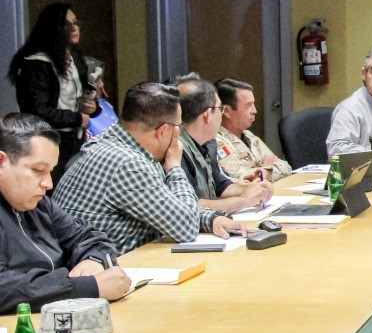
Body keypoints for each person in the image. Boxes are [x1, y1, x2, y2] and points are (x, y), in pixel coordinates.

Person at [55, 82, 246, 254]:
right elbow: (186, 227)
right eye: (177, 127)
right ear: (162, 131)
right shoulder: (127, 163)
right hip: (111, 267)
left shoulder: (124, 145)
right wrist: (175, 167)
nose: (178, 134)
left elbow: (170, 206)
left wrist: (211, 220)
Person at [0, 114, 130, 313]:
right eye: (38, 170)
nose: (48, 184)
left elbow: (89, 237)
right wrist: (86, 287)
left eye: (50, 171)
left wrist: (93, 260)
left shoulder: (40, 205)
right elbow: (4, 288)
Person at [7, 3, 100, 183]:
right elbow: (36, 111)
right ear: (54, 28)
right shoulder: (37, 64)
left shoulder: (75, 58)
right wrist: (76, 118)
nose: (75, 28)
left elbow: (81, 95)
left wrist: (92, 106)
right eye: (67, 24)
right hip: (49, 139)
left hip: (76, 138)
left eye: (76, 23)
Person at [175, 78, 273, 212]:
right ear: (207, 115)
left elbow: (220, 185)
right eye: (220, 109)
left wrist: (255, 188)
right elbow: (190, 206)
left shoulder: (207, 142)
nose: (221, 115)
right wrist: (243, 201)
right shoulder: (176, 150)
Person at [214, 78, 291, 182]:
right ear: (227, 111)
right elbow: (241, 179)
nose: (254, 111)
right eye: (248, 106)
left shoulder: (248, 135)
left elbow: (285, 167)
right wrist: (265, 169)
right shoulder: (216, 142)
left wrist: (265, 171)